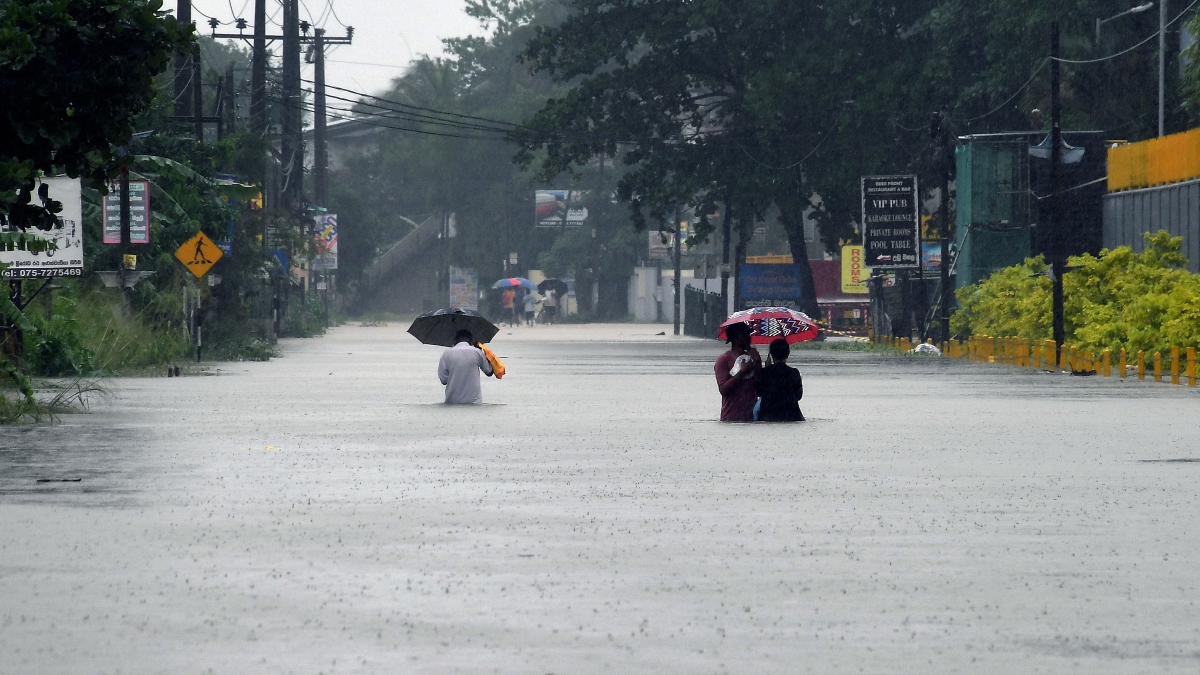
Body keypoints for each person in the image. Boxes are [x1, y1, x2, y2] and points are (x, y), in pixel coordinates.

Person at [714, 322, 761, 422]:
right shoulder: (723, 359)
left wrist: (758, 363)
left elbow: (759, 388)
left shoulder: (752, 358)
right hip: (731, 418)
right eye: (746, 335)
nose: (749, 339)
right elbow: (724, 390)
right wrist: (742, 372)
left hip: (752, 418)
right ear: (736, 338)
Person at [438, 330, 494, 404]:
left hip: (452, 401)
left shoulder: (446, 354)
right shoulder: (477, 352)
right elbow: (489, 371)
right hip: (474, 401)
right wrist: (483, 352)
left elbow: (443, 380)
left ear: (455, 340)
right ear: (471, 340)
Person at [756, 338, 804, 422]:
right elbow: (798, 396)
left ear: (771, 354)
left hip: (768, 415)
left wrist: (766, 369)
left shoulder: (765, 372)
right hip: (792, 415)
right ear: (788, 354)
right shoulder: (794, 373)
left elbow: (758, 392)